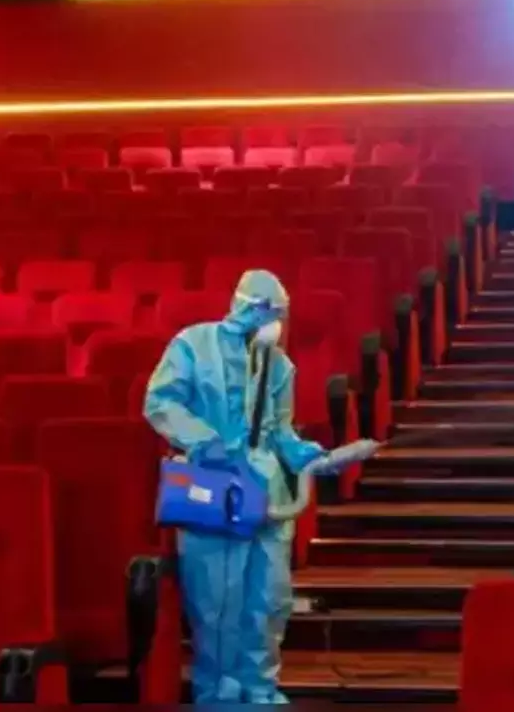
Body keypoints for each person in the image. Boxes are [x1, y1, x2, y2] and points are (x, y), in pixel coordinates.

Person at [144, 269, 324, 705]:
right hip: (212, 487)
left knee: (268, 596)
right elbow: (160, 401)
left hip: (267, 493)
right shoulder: (193, 345)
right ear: (247, 307)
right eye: (269, 311)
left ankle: (260, 688)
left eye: (280, 313)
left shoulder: (280, 367)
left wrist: (307, 454)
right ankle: (217, 691)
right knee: (215, 599)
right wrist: (204, 440)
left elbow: (280, 430)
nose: (275, 322)